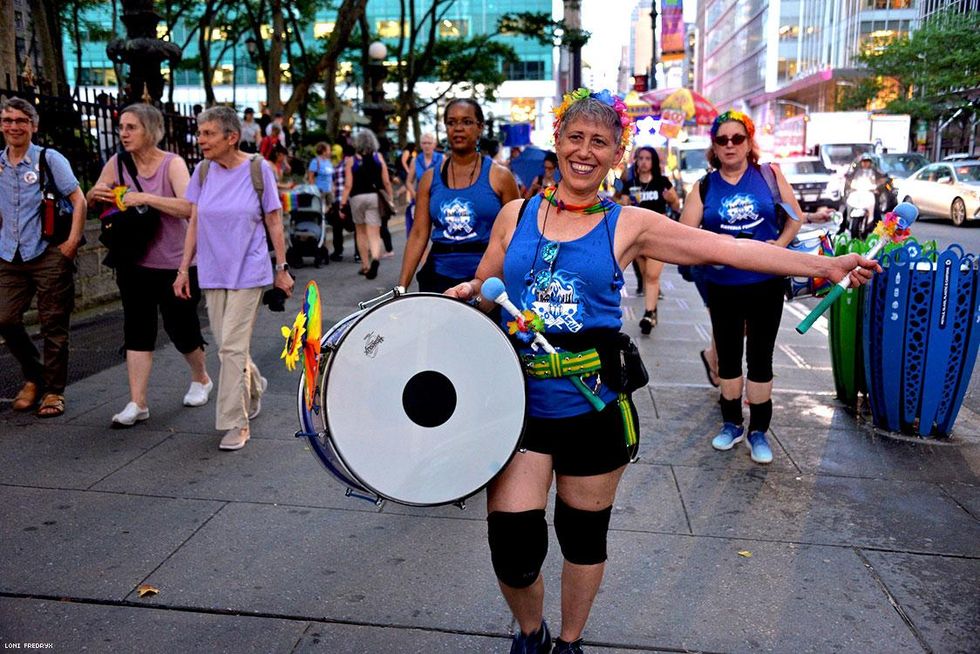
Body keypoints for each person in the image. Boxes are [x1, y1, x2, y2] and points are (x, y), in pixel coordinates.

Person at [444, 89, 880, 653]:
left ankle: (570, 642)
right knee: (513, 546)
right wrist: (467, 294)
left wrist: (825, 264)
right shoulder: (516, 215)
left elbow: (725, 248)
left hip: (594, 405)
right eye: (575, 137)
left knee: (582, 539)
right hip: (519, 406)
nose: (584, 151)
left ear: (616, 153)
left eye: (599, 142)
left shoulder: (629, 224)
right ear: (558, 141)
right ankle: (531, 633)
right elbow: (485, 288)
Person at [678, 110, 808, 465]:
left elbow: (795, 217)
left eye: (737, 138)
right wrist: (710, 247)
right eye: (722, 140)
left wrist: (778, 248)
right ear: (714, 146)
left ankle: (759, 431)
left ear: (749, 143)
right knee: (729, 356)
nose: (730, 145)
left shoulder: (769, 175)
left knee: (761, 358)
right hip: (723, 285)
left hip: (766, 282)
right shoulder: (704, 186)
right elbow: (685, 233)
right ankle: (732, 424)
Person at [173, 106, 294, 451]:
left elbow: (274, 220)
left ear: (232, 137)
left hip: (250, 271)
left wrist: (282, 269)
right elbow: (194, 221)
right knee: (230, 347)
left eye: (209, 133)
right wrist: (183, 269)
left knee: (230, 348)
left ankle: (236, 423)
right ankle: (254, 384)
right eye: (200, 133)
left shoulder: (258, 169)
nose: (201, 140)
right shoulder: (202, 171)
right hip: (213, 273)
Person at [86, 103, 211, 428]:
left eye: (132, 127)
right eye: (121, 127)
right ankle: (137, 402)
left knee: (181, 328)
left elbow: (189, 208)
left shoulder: (172, 163)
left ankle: (201, 377)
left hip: (175, 263)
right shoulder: (117, 163)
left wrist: (146, 198)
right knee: (137, 329)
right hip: (133, 260)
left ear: (151, 130)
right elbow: (92, 200)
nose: (123, 133)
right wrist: (94, 194)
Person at [0, 96, 87, 418]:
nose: (14, 126)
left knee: (54, 325)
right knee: (5, 318)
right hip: (9, 254)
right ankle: (34, 375)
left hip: (48, 251)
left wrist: (72, 243)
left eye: (21, 121)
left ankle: (53, 391)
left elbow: (79, 200)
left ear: (33, 126)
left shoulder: (48, 159)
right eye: (8, 120)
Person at [398, 98, 520, 293]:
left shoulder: (501, 177)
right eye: (451, 122)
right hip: (438, 277)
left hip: (485, 280)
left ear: (480, 127)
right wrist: (401, 287)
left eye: (467, 122)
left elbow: (517, 235)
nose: (458, 128)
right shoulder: (429, 178)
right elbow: (419, 234)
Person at [614, 146, 680, 333]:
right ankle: (653, 311)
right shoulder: (630, 183)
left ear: (653, 162)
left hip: (658, 235)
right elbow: (620, 204)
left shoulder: (662, 182)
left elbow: (676, 206)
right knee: (645, 275)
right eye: (641, 158)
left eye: (648, 158)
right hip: (637, 236)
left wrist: (672, 199)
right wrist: (623, 202)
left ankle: (648, 313)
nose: (644, 162)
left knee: (652, 275)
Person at [339, 129, 393, 280]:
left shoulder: (351, 160)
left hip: (356, 198)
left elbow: (348, 185)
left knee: (360, 232)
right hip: (374, 197)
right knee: (374, 233)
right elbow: (386, 181)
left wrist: (342, 204)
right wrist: (390, 197)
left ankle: (365, 265)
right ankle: (375, 258)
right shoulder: (378, 157)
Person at [404, 132, 443, 236]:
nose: (427, 146)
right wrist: (414, 194)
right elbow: (408, 182)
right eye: (424, 143)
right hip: (420, 198)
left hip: (438, 198)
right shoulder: (415, 160)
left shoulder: (442, 158)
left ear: (434, 144)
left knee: (442, 229)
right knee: (419, 231)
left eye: (429, 143)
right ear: (420, 145)